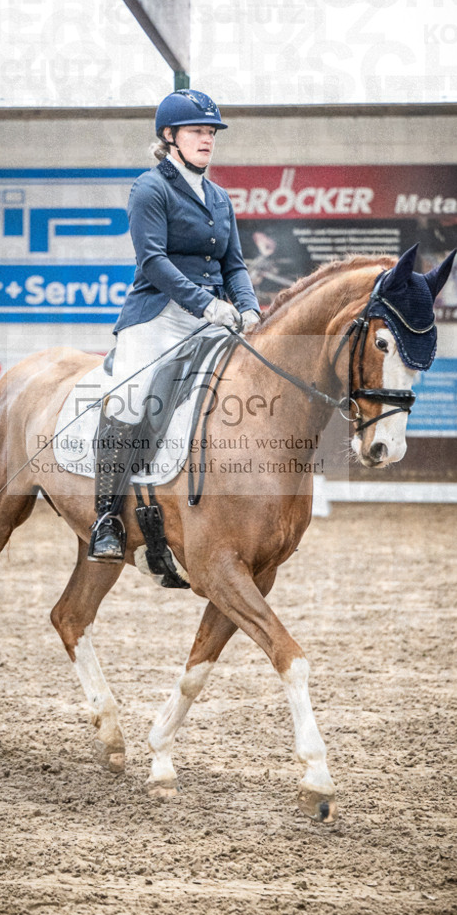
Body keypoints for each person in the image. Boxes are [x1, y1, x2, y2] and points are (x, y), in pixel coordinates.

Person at [88, 88, 261, 562]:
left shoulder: (220, 197)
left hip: (213, 318)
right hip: (157, 318)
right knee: (132, 396)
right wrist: (207, 304)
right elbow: (153, 261)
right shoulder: (150, 188)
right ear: (170, 137)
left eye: (211, 132)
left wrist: (248, 306)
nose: (208, 140)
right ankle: (106, 516)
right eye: (198, 132)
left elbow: (235, 265)